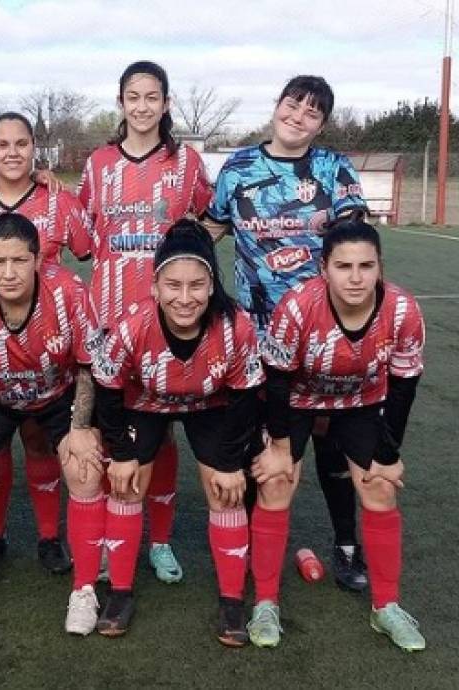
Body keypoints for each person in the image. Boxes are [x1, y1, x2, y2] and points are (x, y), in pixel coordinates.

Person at [208, 75, 371, 592]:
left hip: (327, 334)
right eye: (293, 104)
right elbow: (211, 228)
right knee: (267, 443)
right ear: (277, 105)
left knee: (332, 440)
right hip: (259, 336)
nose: (298, 117)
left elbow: (352, 235)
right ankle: (258, 543)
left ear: (321, 124)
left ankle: (347, 547)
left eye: (312, 113)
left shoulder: (332, 168)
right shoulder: (237, 168)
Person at [250, 216, 425, 651]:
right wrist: (280, 449)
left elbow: (403, 386)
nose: (355, 277)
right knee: (275, 483)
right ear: (323, 267)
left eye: (366, 266)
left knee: (381, 488)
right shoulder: (297, 306)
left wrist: (387, 453)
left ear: (380, 267)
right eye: (344, 266)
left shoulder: (402, 311)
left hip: (360, 402)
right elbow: (275, 380)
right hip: (296, 399)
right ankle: (265, 602)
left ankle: (386, 606)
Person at [89, 221, 263, 642]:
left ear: (211, 284)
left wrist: (228, 463)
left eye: (196, 286)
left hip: (210, 404)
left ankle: (232, 602)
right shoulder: (131, 326)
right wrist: (122, 453)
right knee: (127, 483)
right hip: (145, 402)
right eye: (173, 285)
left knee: (225, 489)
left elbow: (246, 398)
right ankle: (121, 592)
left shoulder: (236, 326)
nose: (185, 298)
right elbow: (108, 392)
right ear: (155, 285)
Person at [77, 60, 213, 584]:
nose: (142, 106)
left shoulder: (187, 163)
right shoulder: (97, 163)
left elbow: (210, 221)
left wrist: (186, 264)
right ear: (121, 103)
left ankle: (158, 541)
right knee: (118, 432)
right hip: (112, 321)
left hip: (170, 320)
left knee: (163, 435)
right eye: (132, 96)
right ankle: (116, 539)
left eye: (151, 96)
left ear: (166, 103)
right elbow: (86, 234)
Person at [0, 111, 93, 573]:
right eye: (2, 144)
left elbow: (89, 251)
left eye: (21, 144)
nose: (12, 152)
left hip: (46, 343)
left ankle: (49, 538)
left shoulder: (56, 201)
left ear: (34, 149)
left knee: (41, 442)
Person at [0, 213, 101, 625]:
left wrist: (81, 428)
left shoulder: (69, 291)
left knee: (85, 469)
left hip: (57, 393)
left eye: (19, 261)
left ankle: (84, 590)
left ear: (38, 259)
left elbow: (87, 364)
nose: (8, 273)